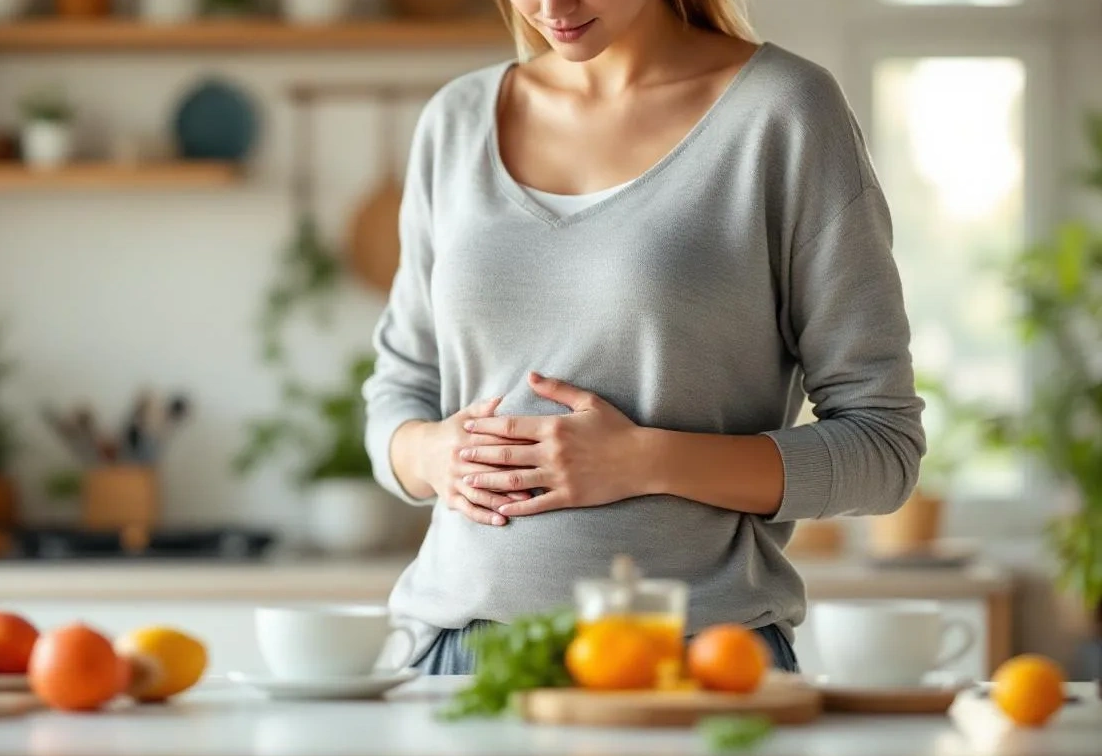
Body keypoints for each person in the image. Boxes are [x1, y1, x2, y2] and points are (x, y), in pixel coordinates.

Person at [361, 0, 926, 676]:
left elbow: (883, 448)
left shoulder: (785, 112)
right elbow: (398, 393)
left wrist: (646, 461)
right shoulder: (455, 120)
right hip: (460, 655)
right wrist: (431, 453)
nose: (550, 8)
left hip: (695, 661)